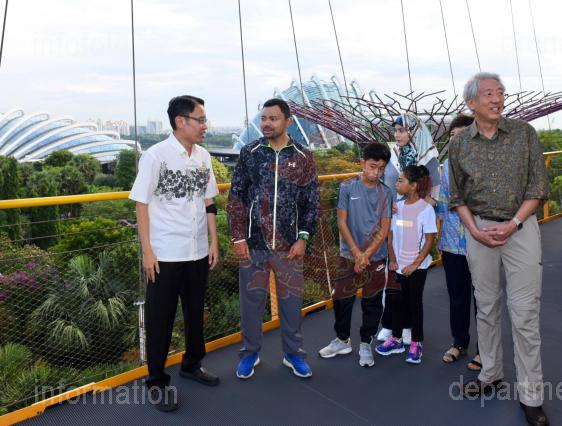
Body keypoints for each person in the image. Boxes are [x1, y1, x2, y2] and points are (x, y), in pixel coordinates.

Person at [448, 72, 550, 426]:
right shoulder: (459, 144)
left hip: (520, 228)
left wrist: (514, 223)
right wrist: (474, 230)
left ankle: (531, 396)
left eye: (500, 93)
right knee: (487, 306)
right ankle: (490, 373)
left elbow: (538, 187)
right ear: (471, 103)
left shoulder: (524, 134)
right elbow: (457, 196)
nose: (497, 99)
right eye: (488, 94)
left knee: (524, 312)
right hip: (479, 230)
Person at [129, 95, 220, 412]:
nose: (205, 125)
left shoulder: (204, 156)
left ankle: (192, 364)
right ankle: (156, 382)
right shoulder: (155, 156)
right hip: (165, 254)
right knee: (160, 319)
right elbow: (141, 204)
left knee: (195, 313)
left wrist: (214, 242)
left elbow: (209, 201)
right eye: (200, 119)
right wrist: (147, 252)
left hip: (197, 251)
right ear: (181, 121)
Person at [228, 98, 319, 379]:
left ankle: (293, 354)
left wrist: (303, 238)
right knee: (251, 303)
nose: (266, 123)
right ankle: (250, 353)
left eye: (273, 118)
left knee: (291, 304)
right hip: (253, 243)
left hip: (289, 246)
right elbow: (236, 196)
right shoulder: (250, 152)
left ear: (288, 121)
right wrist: (238, 237)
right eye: (264, 118)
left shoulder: (303, 156)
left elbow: (311, 201)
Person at [318, 143, 393, 367]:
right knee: (341, 298)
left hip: (375, 256)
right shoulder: (347, 187)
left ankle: (366, 343)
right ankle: (342, 340)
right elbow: (341, 221)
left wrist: (366, 255)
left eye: (381, 168)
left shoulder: (386, 192)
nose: (376, 172)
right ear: (362, 163)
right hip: (348, 254)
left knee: (372, 301)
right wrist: (357, 253)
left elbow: (384, 228)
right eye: (372, 166)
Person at [377, 114, 440, 344]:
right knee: (391, 277)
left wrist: (418, 206)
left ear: (414, 132)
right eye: (396, 130)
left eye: (402, 130)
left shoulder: (428, 156)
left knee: (410, 282)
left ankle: (407, 327)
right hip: (393, 221)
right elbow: (382, 183)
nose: (397, 135)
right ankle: (390, 324)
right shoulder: (392, 154)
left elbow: (435, 191)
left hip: (415, 224)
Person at [374, 165, 437, 364]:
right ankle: (397, 339)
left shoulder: (426, 210)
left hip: (417, 267)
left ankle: (416, 343)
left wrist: (414, 265)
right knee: (395, 302)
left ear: (413, 185)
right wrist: (392, 260)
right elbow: (390, 236)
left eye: (401, 180)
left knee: (414, 303)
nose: (396, 183)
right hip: (397, 266)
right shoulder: (397, 208)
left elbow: (429, 241)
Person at [436, 114, 482, 372]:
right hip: (452, 242)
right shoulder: (445, 167)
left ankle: (485, 349)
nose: (455, 140)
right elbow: (442, 204)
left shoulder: (485, 164)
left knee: (483, 298)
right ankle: (459, 342)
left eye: (461, 135)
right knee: (457, 296)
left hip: (480, 240)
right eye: (452, 136)